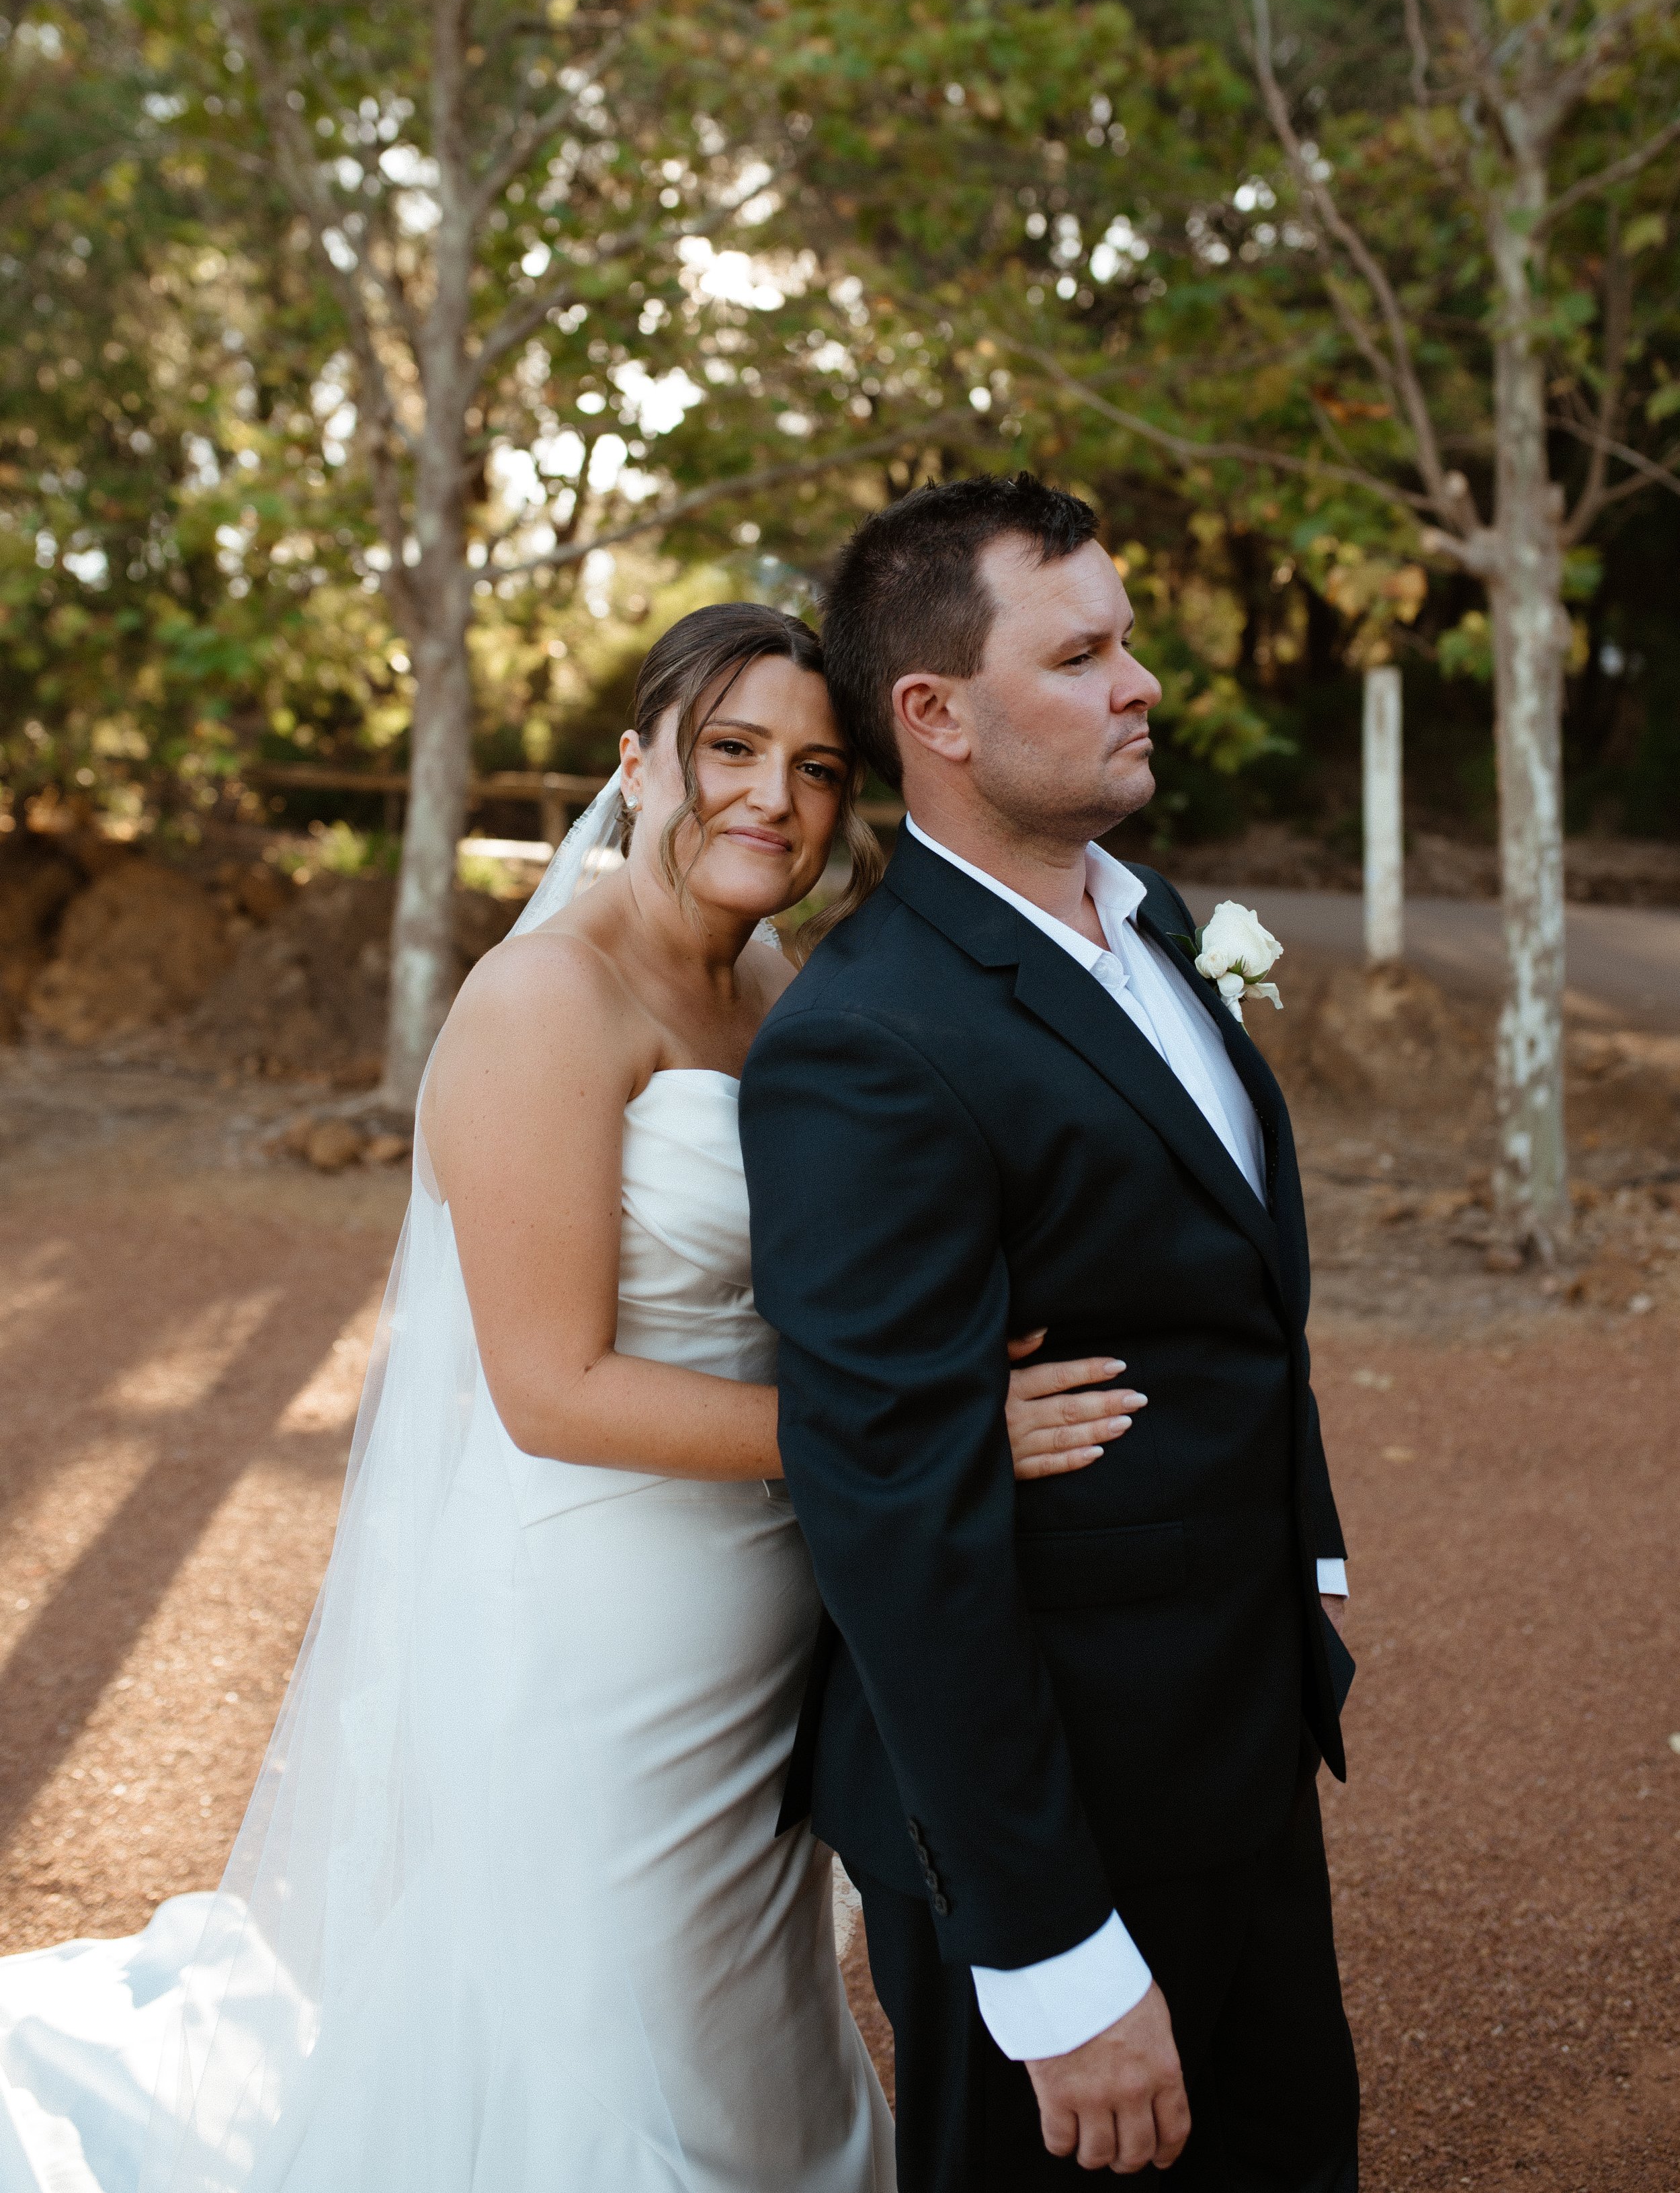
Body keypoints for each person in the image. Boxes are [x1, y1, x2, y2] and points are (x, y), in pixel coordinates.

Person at [0, 602, 1130, 2193]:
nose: (772, 798)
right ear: (636, 762)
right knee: (607, 2026)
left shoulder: (765, 976)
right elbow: (551, 1389)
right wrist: (924, 1439)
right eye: (728, 750)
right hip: (588, 1617)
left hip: (767, 1593)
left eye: (813, 767)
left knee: (742, 2018)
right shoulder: (543, 1001)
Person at [739, 477, 1360, 2190]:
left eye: (1127, 641)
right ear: (932, 715)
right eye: (1080, 653)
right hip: (1055, 1800)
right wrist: (1051, 1953)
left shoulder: (1150, 919)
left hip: (1234, 1725)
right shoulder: (866, 1045)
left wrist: (1297, 1554)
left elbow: (1235, 1276)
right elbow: (893, 1519)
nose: (1137, 680)